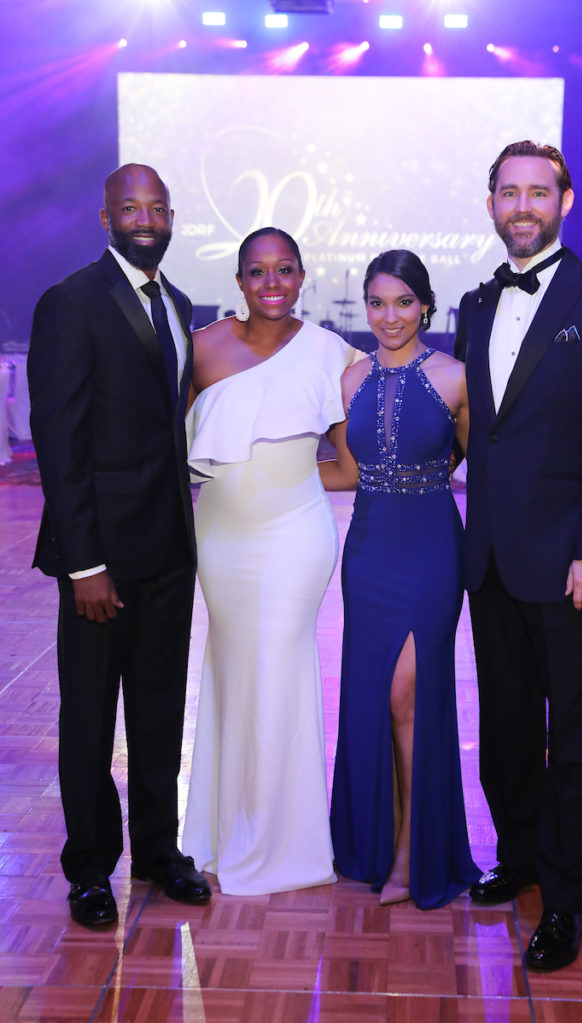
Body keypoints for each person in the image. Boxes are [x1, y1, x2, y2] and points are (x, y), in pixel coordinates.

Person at [454, 141, 582, 969]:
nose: (522, 205)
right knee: (502, 732)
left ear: (564, 200)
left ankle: (565, 900)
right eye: (509, 192)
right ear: (491, 203)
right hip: (489, 558)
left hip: (568, 564)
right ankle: (522, 856)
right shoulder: (472, 304)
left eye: (538, 192)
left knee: (571, 735)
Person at [28, 163, 211, 928]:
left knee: (163, 711)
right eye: (129, 207)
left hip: (169, 549)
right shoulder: (71, 302)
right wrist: (84, 563)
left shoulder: (177, 302)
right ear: (105, 217)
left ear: (171, 217)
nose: (145, 217)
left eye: (157, 206)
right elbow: (59, 438)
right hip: (100, 560)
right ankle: (90, 869)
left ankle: (159, 853)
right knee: (90, 719)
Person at [182, 226, 357, 895]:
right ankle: (221, 832)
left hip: (296, 536)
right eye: (258, 272)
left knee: (280, 668)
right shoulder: (200, 351)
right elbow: (171, 449)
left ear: (302, 276)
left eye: (285, 270)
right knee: (231, 671)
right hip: (222, 539)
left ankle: (285, 843)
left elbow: (347, 464)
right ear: (238, 282)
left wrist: (291, 482)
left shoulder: (329, 353)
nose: (273, 283)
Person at [320, 250, 480, 909]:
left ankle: (415, 852)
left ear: (424, 305)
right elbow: (348, 471)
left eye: (404, 302)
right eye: (378, 303)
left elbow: (465, 454)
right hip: (366, 551)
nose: (390, 316)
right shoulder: (349, 379)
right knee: (372, 697)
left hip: (430, 549)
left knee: (406, 696)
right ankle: (373, 843)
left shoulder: (454, 378)